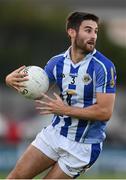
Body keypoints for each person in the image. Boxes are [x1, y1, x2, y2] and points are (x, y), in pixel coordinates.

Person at [5, 11, 116, 179]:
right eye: (88, 30)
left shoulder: (103, 67)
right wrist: (11, 81)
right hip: (54, 134)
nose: (93, 35)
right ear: (72, 32)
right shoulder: (56, 62)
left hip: (83, 146)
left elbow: (104, 112)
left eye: (95, 31)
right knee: (15, 178)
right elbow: (37, 90)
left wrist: (65, 110)